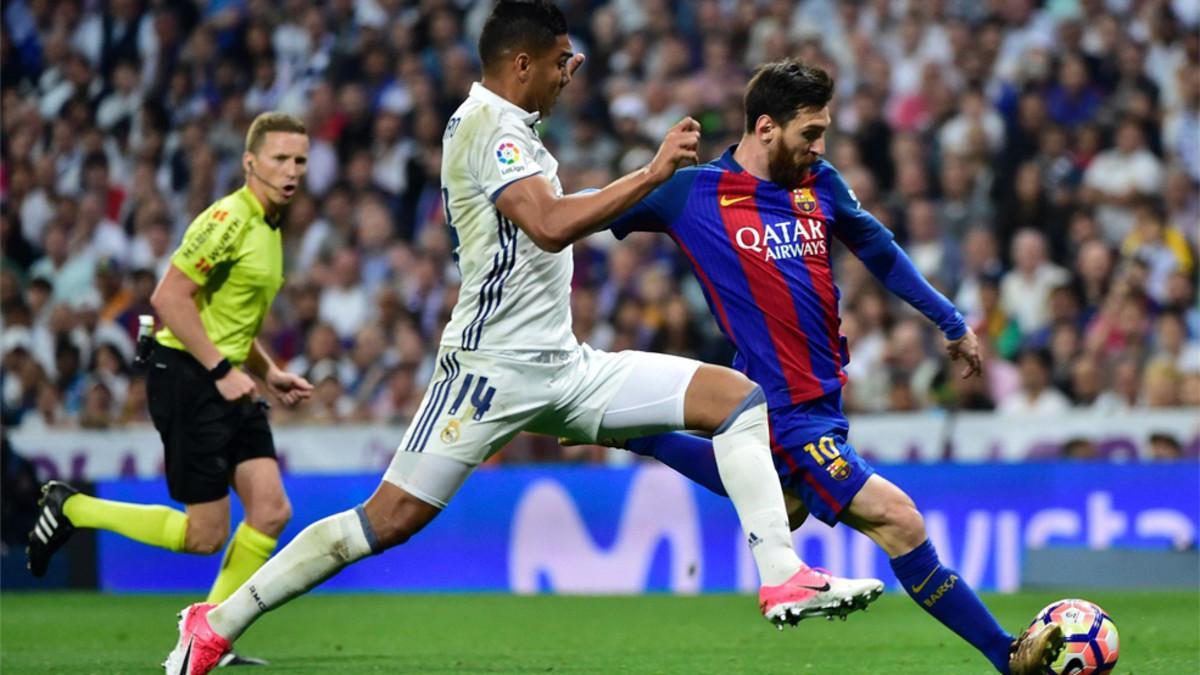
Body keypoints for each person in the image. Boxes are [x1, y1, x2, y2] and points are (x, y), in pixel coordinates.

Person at [163, 5, 881, 674]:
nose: (571, 73)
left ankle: (783, 575)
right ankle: (216, 621)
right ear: (522, 65)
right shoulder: (491, 129)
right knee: (386, 520)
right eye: (563, 60)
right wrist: (653, 172)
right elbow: (548, 222)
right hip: (489, 370)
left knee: (735, 400)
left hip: (563, 365)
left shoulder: (505, 127)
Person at [602, 60, 1064, 675]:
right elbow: (592, 213)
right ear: (766, 128)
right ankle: (1007, 655)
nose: (819, 147)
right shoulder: (694, 192)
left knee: (786, 504)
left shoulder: (818, 183)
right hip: (782, 406)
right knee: (899, 519)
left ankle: (641, 433)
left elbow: (879, 248)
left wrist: (950, 320)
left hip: (821, 400)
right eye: (810, 133)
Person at [28, 112, 314, 667]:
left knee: (271, 510)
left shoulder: (273, 226)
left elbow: (232, 316)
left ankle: (209, 636)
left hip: (226, 376)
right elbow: (170, 298)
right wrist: (220, 371)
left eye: (300, 159)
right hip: (189, 376)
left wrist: (267, 369)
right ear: (250, 162)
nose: (292, 170)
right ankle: (74, 508)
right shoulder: (229, 218)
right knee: (206, 535)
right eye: (280, 158)